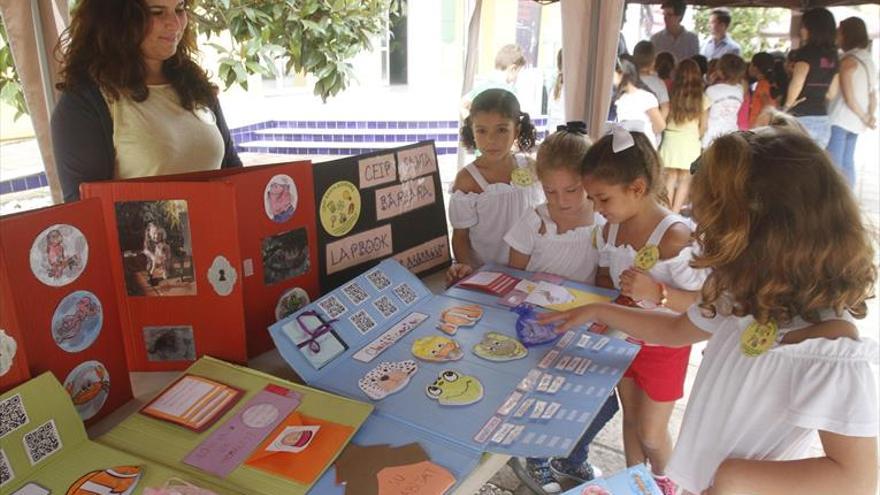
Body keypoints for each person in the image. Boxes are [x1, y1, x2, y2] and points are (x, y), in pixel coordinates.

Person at [543, 127, 878, 495]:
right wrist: (597, 312)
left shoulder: (828, 344)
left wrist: (733, 479)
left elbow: (857, 478)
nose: (702, 238)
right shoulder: (745, 296)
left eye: (714, 228)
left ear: (766, 232)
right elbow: (675, 331)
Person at [582, 127, 707, 495]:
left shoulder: (674, 235)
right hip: (623, 341)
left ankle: (668, 483)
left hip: (665, 348)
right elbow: (606, 277)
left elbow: (705, 307)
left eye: (603, 199)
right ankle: (635, 483)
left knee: (653, 432)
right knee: (632, 420)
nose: (597, 209)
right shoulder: (610, 229)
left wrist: (658, 292)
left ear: (636, 188)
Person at [503, 123, 614, 492]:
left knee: (605, 401)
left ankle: (573, 455)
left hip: (580, 323)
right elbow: (512, 274)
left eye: (571, 190)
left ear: (589, 182)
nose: (561, 200)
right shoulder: (535, 219)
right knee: (545, 393)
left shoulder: (601, 224)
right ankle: (535, 457)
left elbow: (602, 277)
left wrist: (600, 316)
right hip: (536, 324)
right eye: (550, 190)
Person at [51, 0, 242, 202]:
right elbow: (85, 211)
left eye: (179, 9)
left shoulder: (193, 84)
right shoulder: (86, 103)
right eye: (157, 12)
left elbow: (233, 172)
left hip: (219, 232)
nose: (175, 24)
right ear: (116, 19)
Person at [447, 89, 540, 283]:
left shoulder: (531, 167)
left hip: (528, 272)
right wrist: (469, 273)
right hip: (485, 275)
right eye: (482, 130)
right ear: (472, 131)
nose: (491, 140)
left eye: (501, 130)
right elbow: (460, 236)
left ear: (517, 130)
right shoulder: (467, 179)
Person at [828, 16, 877, 186]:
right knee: (847, 163)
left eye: (839, 33)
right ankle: (850, 202)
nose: (836, 37)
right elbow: (873, 94)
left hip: (840, 119)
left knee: (833, 166)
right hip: (856, 122)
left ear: (848, 35)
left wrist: (865, 117)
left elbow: (848, 97)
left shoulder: (847, 61)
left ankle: (838, 205)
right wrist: (868, 116)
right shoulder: (867, 59)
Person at [784, 7, 839, 148]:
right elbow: (831, 93)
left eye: (803, 26)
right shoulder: (834, 56)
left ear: (813, 29)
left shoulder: (805, 54)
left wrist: (787, 106)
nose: (801, 30)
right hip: (822, 120)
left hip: (801, 119)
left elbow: (797, 82)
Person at [659, 59, 707, 213]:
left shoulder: (670, 93)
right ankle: (675, 212)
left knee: (670, 177)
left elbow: (664, 118)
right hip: (690, 140)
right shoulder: (703, 98)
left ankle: (665, 212)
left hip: (671, 138)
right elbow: (704, 126)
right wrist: (695, 137)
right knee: (685, 179)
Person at [461, 44, 526, 119]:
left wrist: (471, 125)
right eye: (518, 72)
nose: (516, 77)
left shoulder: (483, 86)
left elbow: (462, 105)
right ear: (513, 68)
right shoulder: (510, 92)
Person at [613, 58, 666, 148]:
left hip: (644, 147)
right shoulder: (620, 99)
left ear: (622, 74)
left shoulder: (646, 97)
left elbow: (660, 125)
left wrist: (645, 133)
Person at [703, 54, 746, 148]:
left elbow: (704, 116)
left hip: (711, 136)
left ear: (720, 71)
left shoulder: (711, 90)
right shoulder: (740, 89)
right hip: (731, 134)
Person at [633, 41, 670, 121]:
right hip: (650, 129)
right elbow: (665, 108)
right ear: (653, 61)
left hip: (628, 128)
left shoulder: (627, 80)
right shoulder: (658, 83)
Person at [748, 52, 779, 128]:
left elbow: (768, 106)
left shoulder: (763, 85)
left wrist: (760, 126)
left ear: (754, 67)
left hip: (758, 127)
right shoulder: (771, 83)